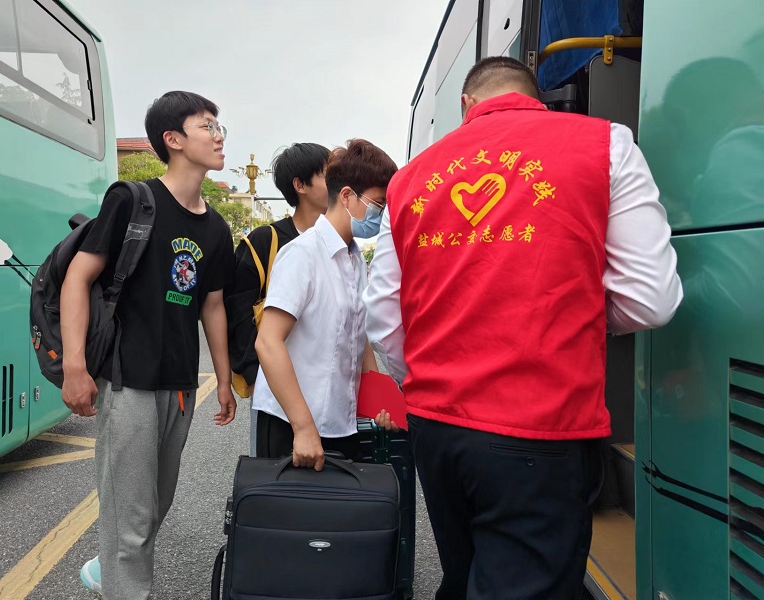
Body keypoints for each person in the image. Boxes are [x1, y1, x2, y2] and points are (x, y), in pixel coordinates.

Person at [363, 57, 683, 599]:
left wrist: (430, 377)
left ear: (466, 104)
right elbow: (651, 300)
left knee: (464, 574)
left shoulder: (410, 178)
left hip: (436, 427)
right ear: (535, 95)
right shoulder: (606, 145)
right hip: (541, 427)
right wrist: (564, 318)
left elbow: (385, 318)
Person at [60, 91, 236, 600]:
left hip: (179, 384)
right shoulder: (132, 200)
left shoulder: (216, 227)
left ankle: (108, 571)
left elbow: (212, 306)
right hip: (128, 379)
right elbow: (78, 278)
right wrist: (75, 366)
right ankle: (127, 588)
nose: (219, 136)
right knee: (132, 518)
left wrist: (224, 381)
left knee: (154, 504)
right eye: (207, 126)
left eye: (219, 126)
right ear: (173, 139)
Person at [254, 139, 398, 468]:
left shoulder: (355, 258)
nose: (381, 214)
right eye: (378, 203)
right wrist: (303, 428)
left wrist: (380, 403)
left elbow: (358, 337)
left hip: (340, 423)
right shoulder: (302, 254)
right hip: (291, 425)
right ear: (346, 196)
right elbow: (268, 341)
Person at [226, 142, 330, 455]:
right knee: (277, 472)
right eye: (329, 175)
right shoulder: (265, 241)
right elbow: (238, 313)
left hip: (328, 387)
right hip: (276, 390)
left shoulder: (338, 243)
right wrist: (256, 377)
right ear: (300, 185)